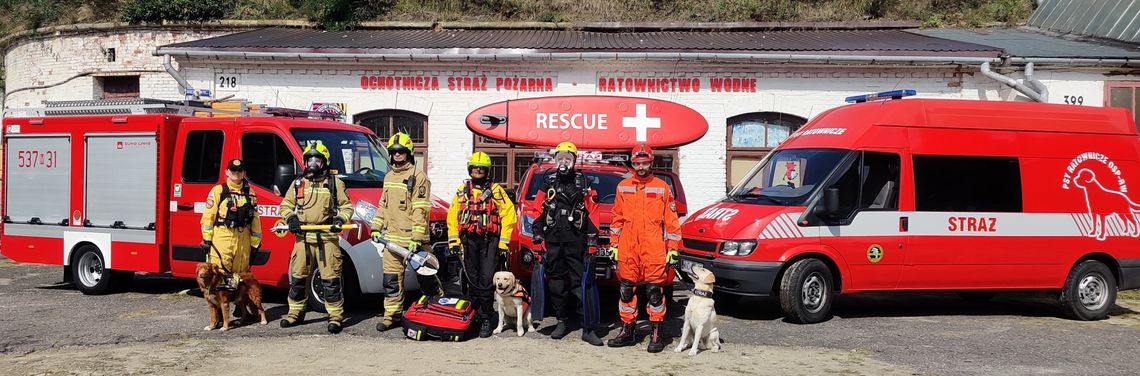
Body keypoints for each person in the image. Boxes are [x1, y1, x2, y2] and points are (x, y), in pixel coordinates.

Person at [605, 144, 682, 353]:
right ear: (632, 163)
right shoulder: (623, 186)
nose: (641, 167)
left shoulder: (662, 187)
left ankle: (656, 333)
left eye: (644, 163)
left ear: (651, 162)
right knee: (626, 290)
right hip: (628, 246)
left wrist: (673, 248)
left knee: (655, 292)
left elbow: (672, 222)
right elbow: (617, 218)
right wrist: (614, 245)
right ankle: (627, 331)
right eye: (637, 163)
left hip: (654, 245)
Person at [532, 141, 603, 346]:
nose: (564, 162)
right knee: (556, 283)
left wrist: (591, 242)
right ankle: (561, 321)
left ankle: (587, 327)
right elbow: (538, 210)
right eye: (560, 158)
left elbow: (594, 212)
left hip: (576, 240)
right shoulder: (548, 183)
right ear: (555, 160)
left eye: (568, 159)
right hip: (553, 240)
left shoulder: (583, 182)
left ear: (574, 161)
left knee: (579, 283)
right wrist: (538, 238)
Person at [278, 141, 353, 334]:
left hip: (326, 239)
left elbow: (347, 207)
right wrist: (291, 218)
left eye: (317, 160)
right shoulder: (298, 183)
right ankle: (295, 313)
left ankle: (335, 316)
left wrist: (339, 219)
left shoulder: (335, 183)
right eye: (309, 160)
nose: (313, 164)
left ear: (325, 162)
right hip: (303, 239)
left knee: (331, 280)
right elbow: (285, 205)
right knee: (298, 278)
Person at [448, 151, 518, 338]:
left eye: (482, 168)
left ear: (487, 170)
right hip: (468, 241)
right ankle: (473, 316)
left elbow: (509, 215)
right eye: (475, 167)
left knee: (486, 281)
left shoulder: (496, 190)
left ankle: (487, 317)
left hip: (489, 242)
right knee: (472, 281)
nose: (478, 170)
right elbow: (452, 215)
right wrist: (454, 240)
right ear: (470, 169)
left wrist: (503, 243)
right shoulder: (462, 190)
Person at [372, 132, 434, 332]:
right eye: (394, 152)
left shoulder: (418, 176)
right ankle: (392, 316)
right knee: (391, 280)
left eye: (401, 152)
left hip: (414, 240)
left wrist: (417, 237)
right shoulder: (389, 176)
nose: (397, 155)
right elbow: (383, 205)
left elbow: (420, 209)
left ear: (409, 153)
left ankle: (436, 310)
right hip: (391, 239)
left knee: (427, 279)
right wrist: (376, 226)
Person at [200, 159, 262, 290]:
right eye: (233, 170)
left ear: (244, 173)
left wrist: (255, 243)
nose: (236, 173)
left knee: (241, 276)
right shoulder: (218, 191)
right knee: (219, 276)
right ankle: (220, 309)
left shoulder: (250, 193)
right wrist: (207, 239)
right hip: (222, 238)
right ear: (227, 172)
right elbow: (208, 217)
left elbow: (255, 219)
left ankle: (240, 309)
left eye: (239, 171)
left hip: (243, 240)